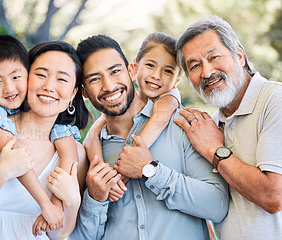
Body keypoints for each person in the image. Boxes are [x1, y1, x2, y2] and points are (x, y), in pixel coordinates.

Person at [70, 35, 228, 240]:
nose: (108, 86)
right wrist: (95, 199)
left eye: (115, 71)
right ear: (83, 91)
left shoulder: (182, 124)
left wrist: (151, 171)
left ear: (130, 70)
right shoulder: (89, 152)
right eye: (95, 79)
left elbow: (217, 206)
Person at [0, 41, 89, 240]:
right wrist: (2, 173)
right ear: (25, 76)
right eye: (41, 74)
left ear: (73, 94)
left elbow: (57, 234)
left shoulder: (76, 153)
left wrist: (72, 202)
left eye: (62, 79)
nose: (49, 86)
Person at [174, 16, 282, 239]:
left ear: (239, 55)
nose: (206, 72)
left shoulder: (275, 100)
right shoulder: (210, 126)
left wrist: (215, 150)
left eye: (213, 57)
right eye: (194, 65)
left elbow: (274, 196)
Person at [83, 32, 182, 202]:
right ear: (134, 68)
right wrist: (103, 177)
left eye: (167, 71)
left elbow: (159, 122)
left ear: (177, 80)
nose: (156, 76)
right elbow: (92, 135)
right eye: (150, 65)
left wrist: (121, 175)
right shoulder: (107, 120)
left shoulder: (169, 102)